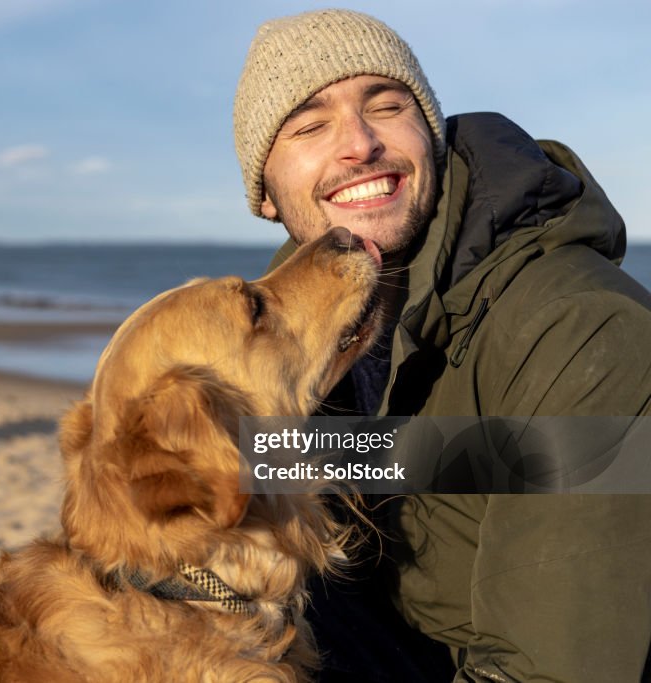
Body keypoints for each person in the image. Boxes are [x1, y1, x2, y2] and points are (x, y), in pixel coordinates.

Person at [232, 9, 651, 683]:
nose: (360, 143)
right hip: (392, 634)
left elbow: (554, 669)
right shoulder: (297, 334)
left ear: (428, 130)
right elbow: (269, 477)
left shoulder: (581, 332)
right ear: (266, 197)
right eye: (310, 125)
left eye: (387, 105)